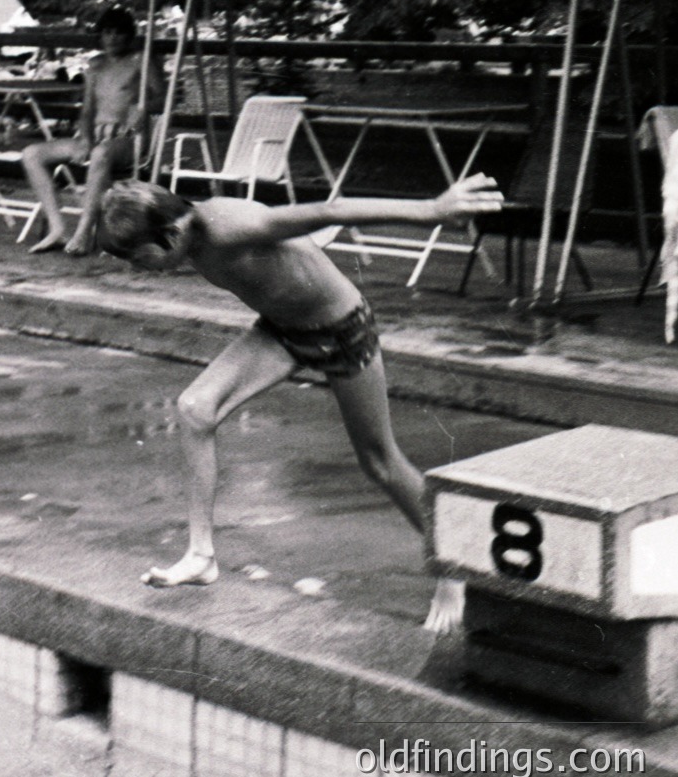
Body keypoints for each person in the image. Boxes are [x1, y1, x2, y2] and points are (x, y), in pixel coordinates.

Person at [96, 174, 506, 633]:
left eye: (138, 258)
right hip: (282, 331)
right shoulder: (187, 240)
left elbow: (333, 209)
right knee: (196, 409)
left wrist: (431, 209)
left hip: (340, 330)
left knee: (380, 461)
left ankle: (452, 565)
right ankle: (200, 556)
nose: (137, 270)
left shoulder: (230, 224)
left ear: (169, 235)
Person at [24, 7, 164, 256]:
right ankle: (58, 229)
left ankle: (84, 231)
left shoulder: (141, 60)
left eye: (119, 33)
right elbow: (88, 110)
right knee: (32, 153)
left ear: (129, 35)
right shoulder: (95, 65)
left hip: (127, 139)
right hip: (95, 135)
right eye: (107, 32)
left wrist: (144, 107)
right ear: (99, 35)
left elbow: (166, 99)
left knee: (100, 153)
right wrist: (85, 138)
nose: (112, 38)